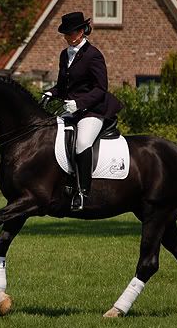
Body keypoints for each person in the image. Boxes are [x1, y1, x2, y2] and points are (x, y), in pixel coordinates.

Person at [41, 12, 122, 211]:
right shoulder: (64, 54)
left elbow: (100, 88)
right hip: (73, 110)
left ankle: (84, 193)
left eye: (70, 33)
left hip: (93, 110)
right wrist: (51, 93)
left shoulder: (93, 55)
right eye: (65, 34)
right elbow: (62, 86)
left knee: (82, 143)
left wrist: (78, 103)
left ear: (81, 32)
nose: (67, 37)